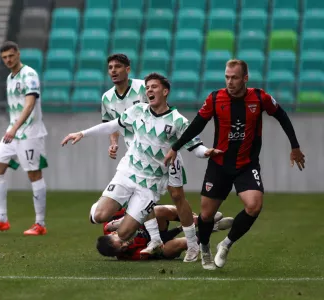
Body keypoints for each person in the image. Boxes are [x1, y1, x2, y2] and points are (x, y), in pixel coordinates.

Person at [164, 59, 306, 269]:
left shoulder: (259, 98)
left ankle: (226, 243)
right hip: (219, 165)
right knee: (206, 215)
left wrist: (295, 146)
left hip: (247, 164)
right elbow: (197, 125)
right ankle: (204, 248)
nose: (230, 82)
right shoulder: (215, 98)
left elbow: (282, 115)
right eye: (227, 77)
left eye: (235, 78)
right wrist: (175, 147)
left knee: (254, 206)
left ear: (245, 78)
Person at [61, 73, 221, 256]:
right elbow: (113, 125)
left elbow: (195, 146)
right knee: (99, 216)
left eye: (154, 87)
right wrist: (82, 133)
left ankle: (176, 237)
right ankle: (142, 229)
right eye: (147, 87)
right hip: (128, 172)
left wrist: (206, 152)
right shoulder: (137, 111)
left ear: (166, 91)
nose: (149, 90)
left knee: (123, 233)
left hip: (151, 184)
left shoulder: (178, 121)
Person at [101, 53, 210, 262]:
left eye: (117, 66)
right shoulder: (108, 98)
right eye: (110, 67)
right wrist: (113, 142)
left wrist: (204, 151)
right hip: (138, 154)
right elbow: (112, 123)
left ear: (128, 69)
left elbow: (166, 115)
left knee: (177, 196)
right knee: (141, 193)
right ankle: (156, 239)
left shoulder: (144, 89)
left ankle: (193, 239)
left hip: (167, 153)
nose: (113, 70)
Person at [0, 41, 48, 235]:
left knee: (34, 174)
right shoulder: (10, 78)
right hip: (14, 132)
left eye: (11, 56)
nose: (8, 60)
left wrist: (15, 128)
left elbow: (30, 103)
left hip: (29, 133)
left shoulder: (29, 74)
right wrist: (13, 129)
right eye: (4, 58)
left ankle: (40, 224)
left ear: (18, 54)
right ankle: (1, 219)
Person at [97, 205, 234, 260]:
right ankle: (209, 227)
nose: (126, 245)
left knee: (157, 210)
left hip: (156, 225)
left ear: (114, 233)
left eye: (122, 242)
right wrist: (180, 229)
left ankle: (197, 220)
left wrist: (123, 221)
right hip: (162, 245)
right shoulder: (128, 255)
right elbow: (161, 240)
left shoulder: (112, 220)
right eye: (122, 248)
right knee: (184, 242)